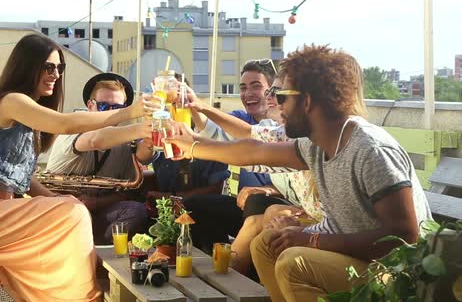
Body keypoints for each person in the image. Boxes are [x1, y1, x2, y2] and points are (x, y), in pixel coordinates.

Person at [167, 44, 431, 302]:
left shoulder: (370, 151)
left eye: (281, 96)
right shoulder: (315, 145)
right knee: (266, 244)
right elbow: (254, 151)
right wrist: (192, 147)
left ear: (307, 101)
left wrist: (313, 239)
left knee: (295, 263)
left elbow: (405, 237)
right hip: (356, 257)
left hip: (397, 274)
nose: (276, 104)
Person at [0, 34, 154, 302]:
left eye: (60, 68)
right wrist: (131, 113)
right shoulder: (11, 101)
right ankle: (85, 296)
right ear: (27, 66)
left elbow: (24, 182)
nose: (56, 75)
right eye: (49, 67)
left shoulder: (27, 116)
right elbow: (66, 124)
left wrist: (61, 201)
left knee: (71, 211)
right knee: (73, 214)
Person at [181, 60, 287, 253]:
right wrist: (192, 117)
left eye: (257, 87)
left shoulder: (290, 131)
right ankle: (212, 258)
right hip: (243, 202)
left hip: (267, 205)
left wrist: (266, 190)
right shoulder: (245, 120)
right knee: (193, 206)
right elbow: (215, 132)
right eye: (243, 88)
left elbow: (248, 141)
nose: (248, 94)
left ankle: (227, 269)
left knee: (256, 202)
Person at [46, 73, 153, 245]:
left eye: (118, 108)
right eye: (104, 106)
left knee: (136, 211)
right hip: (61, 213)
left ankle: (103, 260)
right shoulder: (73, 131)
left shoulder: (125, 142)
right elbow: (95, 140)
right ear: (90, 106)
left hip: (98, 214)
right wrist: (144, 129)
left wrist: (152, 138)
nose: (111, 113)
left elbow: (128, 190)